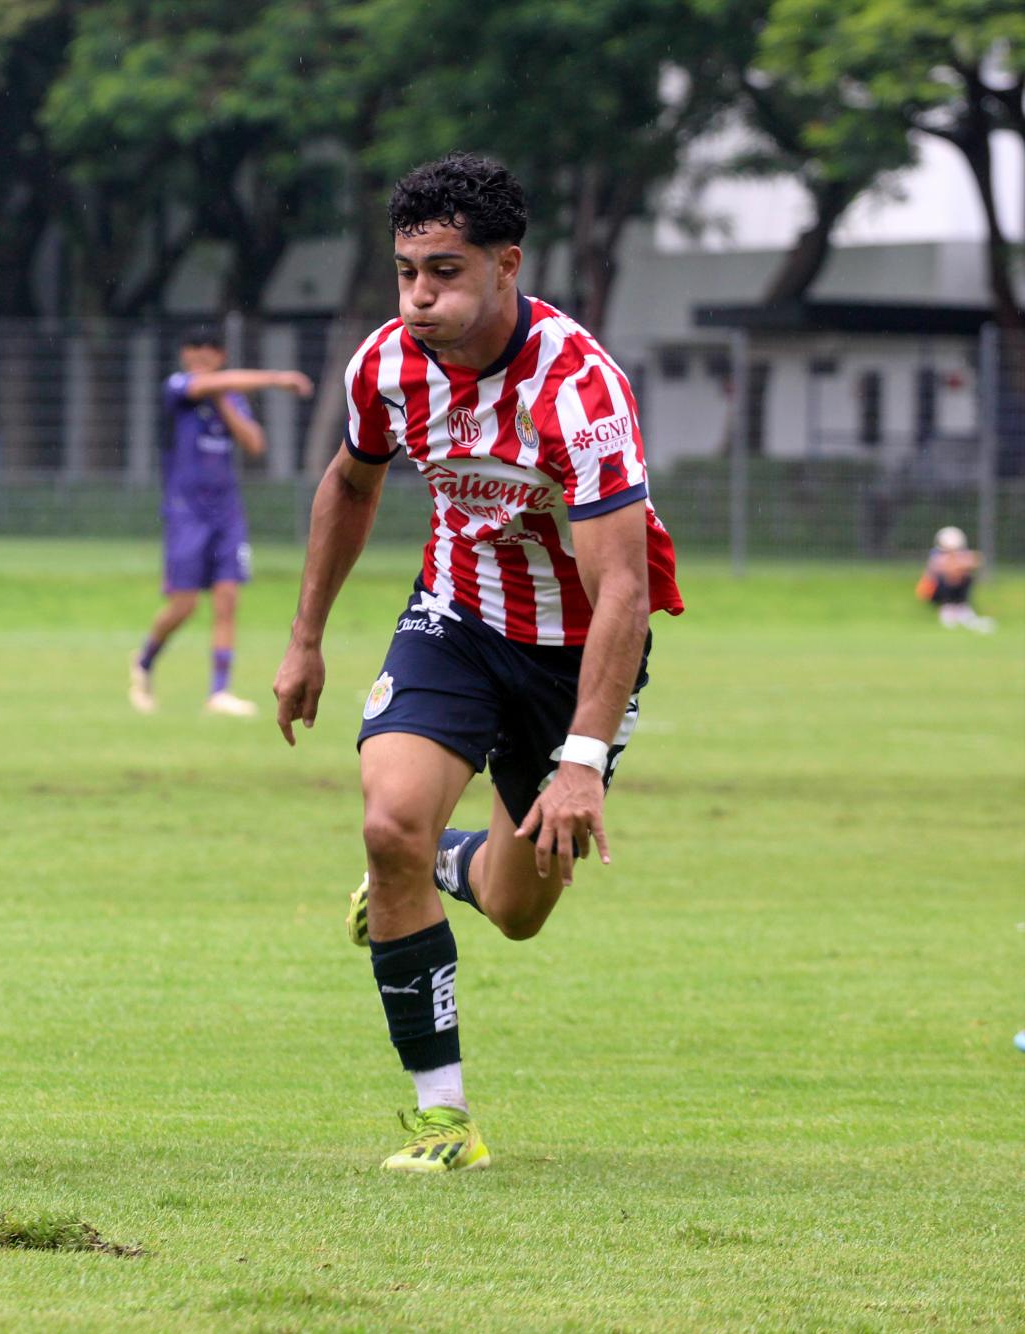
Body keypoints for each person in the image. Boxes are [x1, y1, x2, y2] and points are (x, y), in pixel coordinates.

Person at [272, 153, 684, 1173]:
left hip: (574, 659)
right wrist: (304, 636)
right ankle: (440, 1119)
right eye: (405, 271)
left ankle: (446, 862)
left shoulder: (577, 388)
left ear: (506, 265)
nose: (418, 296)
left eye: (443, 272)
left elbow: (620, 590)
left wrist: (581, 756)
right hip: (454, 621)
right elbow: (348, 483)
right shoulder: (383, 364)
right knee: (384, 821)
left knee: (515, 910)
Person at [129, 328, 312, 717]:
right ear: (184, 355)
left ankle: (219, 691)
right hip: (186, 512)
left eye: (209, 350)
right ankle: (143, 663)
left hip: (227, 513)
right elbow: (206, 385)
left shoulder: (231, 397)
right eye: (193, 349)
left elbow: (255, 444)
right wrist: (277, 379)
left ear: (221, 355)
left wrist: (226, 400)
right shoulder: (177, 388)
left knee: (228, 600)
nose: (200, 356)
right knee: (184, 605)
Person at [918, 526, 995, 632]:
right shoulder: (936, 555)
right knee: (948, 577)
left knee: (965, 577)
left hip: (955, 589)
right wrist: (957, 565)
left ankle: (961, 607)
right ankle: (948, 608)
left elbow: (977, 559)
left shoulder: (962, 554)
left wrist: (959, 565)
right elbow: (940, 570)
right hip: (933, 592)